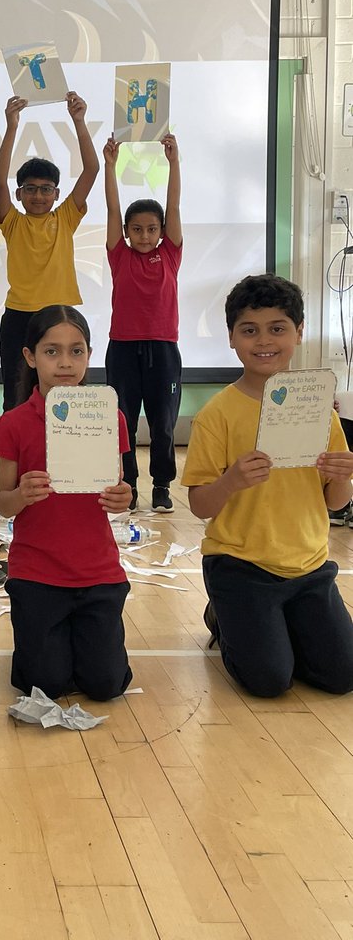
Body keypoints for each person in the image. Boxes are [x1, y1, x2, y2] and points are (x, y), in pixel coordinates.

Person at [183, 273, 353, 698]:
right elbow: (201, 506)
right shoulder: (217, 414)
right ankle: (222, 616)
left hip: (310, 568)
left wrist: (343, 476)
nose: (264, 341)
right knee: (269, 681)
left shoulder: (319, 410)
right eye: (249, 330)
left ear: (298, 332)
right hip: (241, 566)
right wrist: (231, 481)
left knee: (343, 676)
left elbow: (336, 503)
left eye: (278, 329)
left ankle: (280, 623)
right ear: (231, 338)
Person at [0, 305, 133, 700]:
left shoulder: (110, 417)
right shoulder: (13, 423)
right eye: (52, 351)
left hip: (98, 572)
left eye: (77, 351)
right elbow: (2, 504)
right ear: (30, 357)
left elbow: (118, 488)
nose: (65, 363)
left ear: (89, 355)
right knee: (46, 685)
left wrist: (125, 497)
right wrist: (21, 495)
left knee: (106, 685)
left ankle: (76, 642)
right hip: (37, 574)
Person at [0, 92, 100, 412]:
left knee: (65, 395)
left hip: (59, 316)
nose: (38, 196)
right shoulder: (12, 222)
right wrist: (12, 126)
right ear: (19, 193)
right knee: (15, 400)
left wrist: (79, 121)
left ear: (56, 194)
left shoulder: (65, 217)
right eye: (30, 189)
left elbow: (92, 170)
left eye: (45, 189)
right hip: (18, 317)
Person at [102, 132, 183, 513]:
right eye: (137, 229)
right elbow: (112, 210)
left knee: (164, 424)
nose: (145, 235)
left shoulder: (169, 253)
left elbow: (174, 204)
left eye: (152, 229)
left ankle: (162, 485)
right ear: (127, 232)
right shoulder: (120, 255)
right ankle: (129, 484)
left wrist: (174, 162)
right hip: (123, 350)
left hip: (164, 350)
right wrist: (110, 166)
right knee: (125, 423)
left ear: (162, 231)